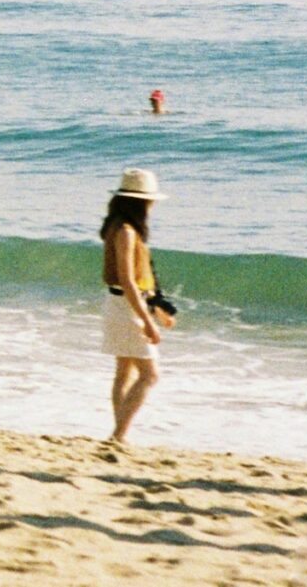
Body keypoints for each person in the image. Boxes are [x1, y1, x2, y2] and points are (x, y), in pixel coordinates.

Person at [101, 167, 171, 445]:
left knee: (124, 371)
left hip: (117, 302)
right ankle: (119, 435)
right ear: (141, 201)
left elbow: (133, 281)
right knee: (150, 375)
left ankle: (119, 434)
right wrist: (148, 320)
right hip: (126, 306)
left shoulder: (116, 226)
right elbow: (129, 282)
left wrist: (156, 307)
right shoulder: (127, 232)